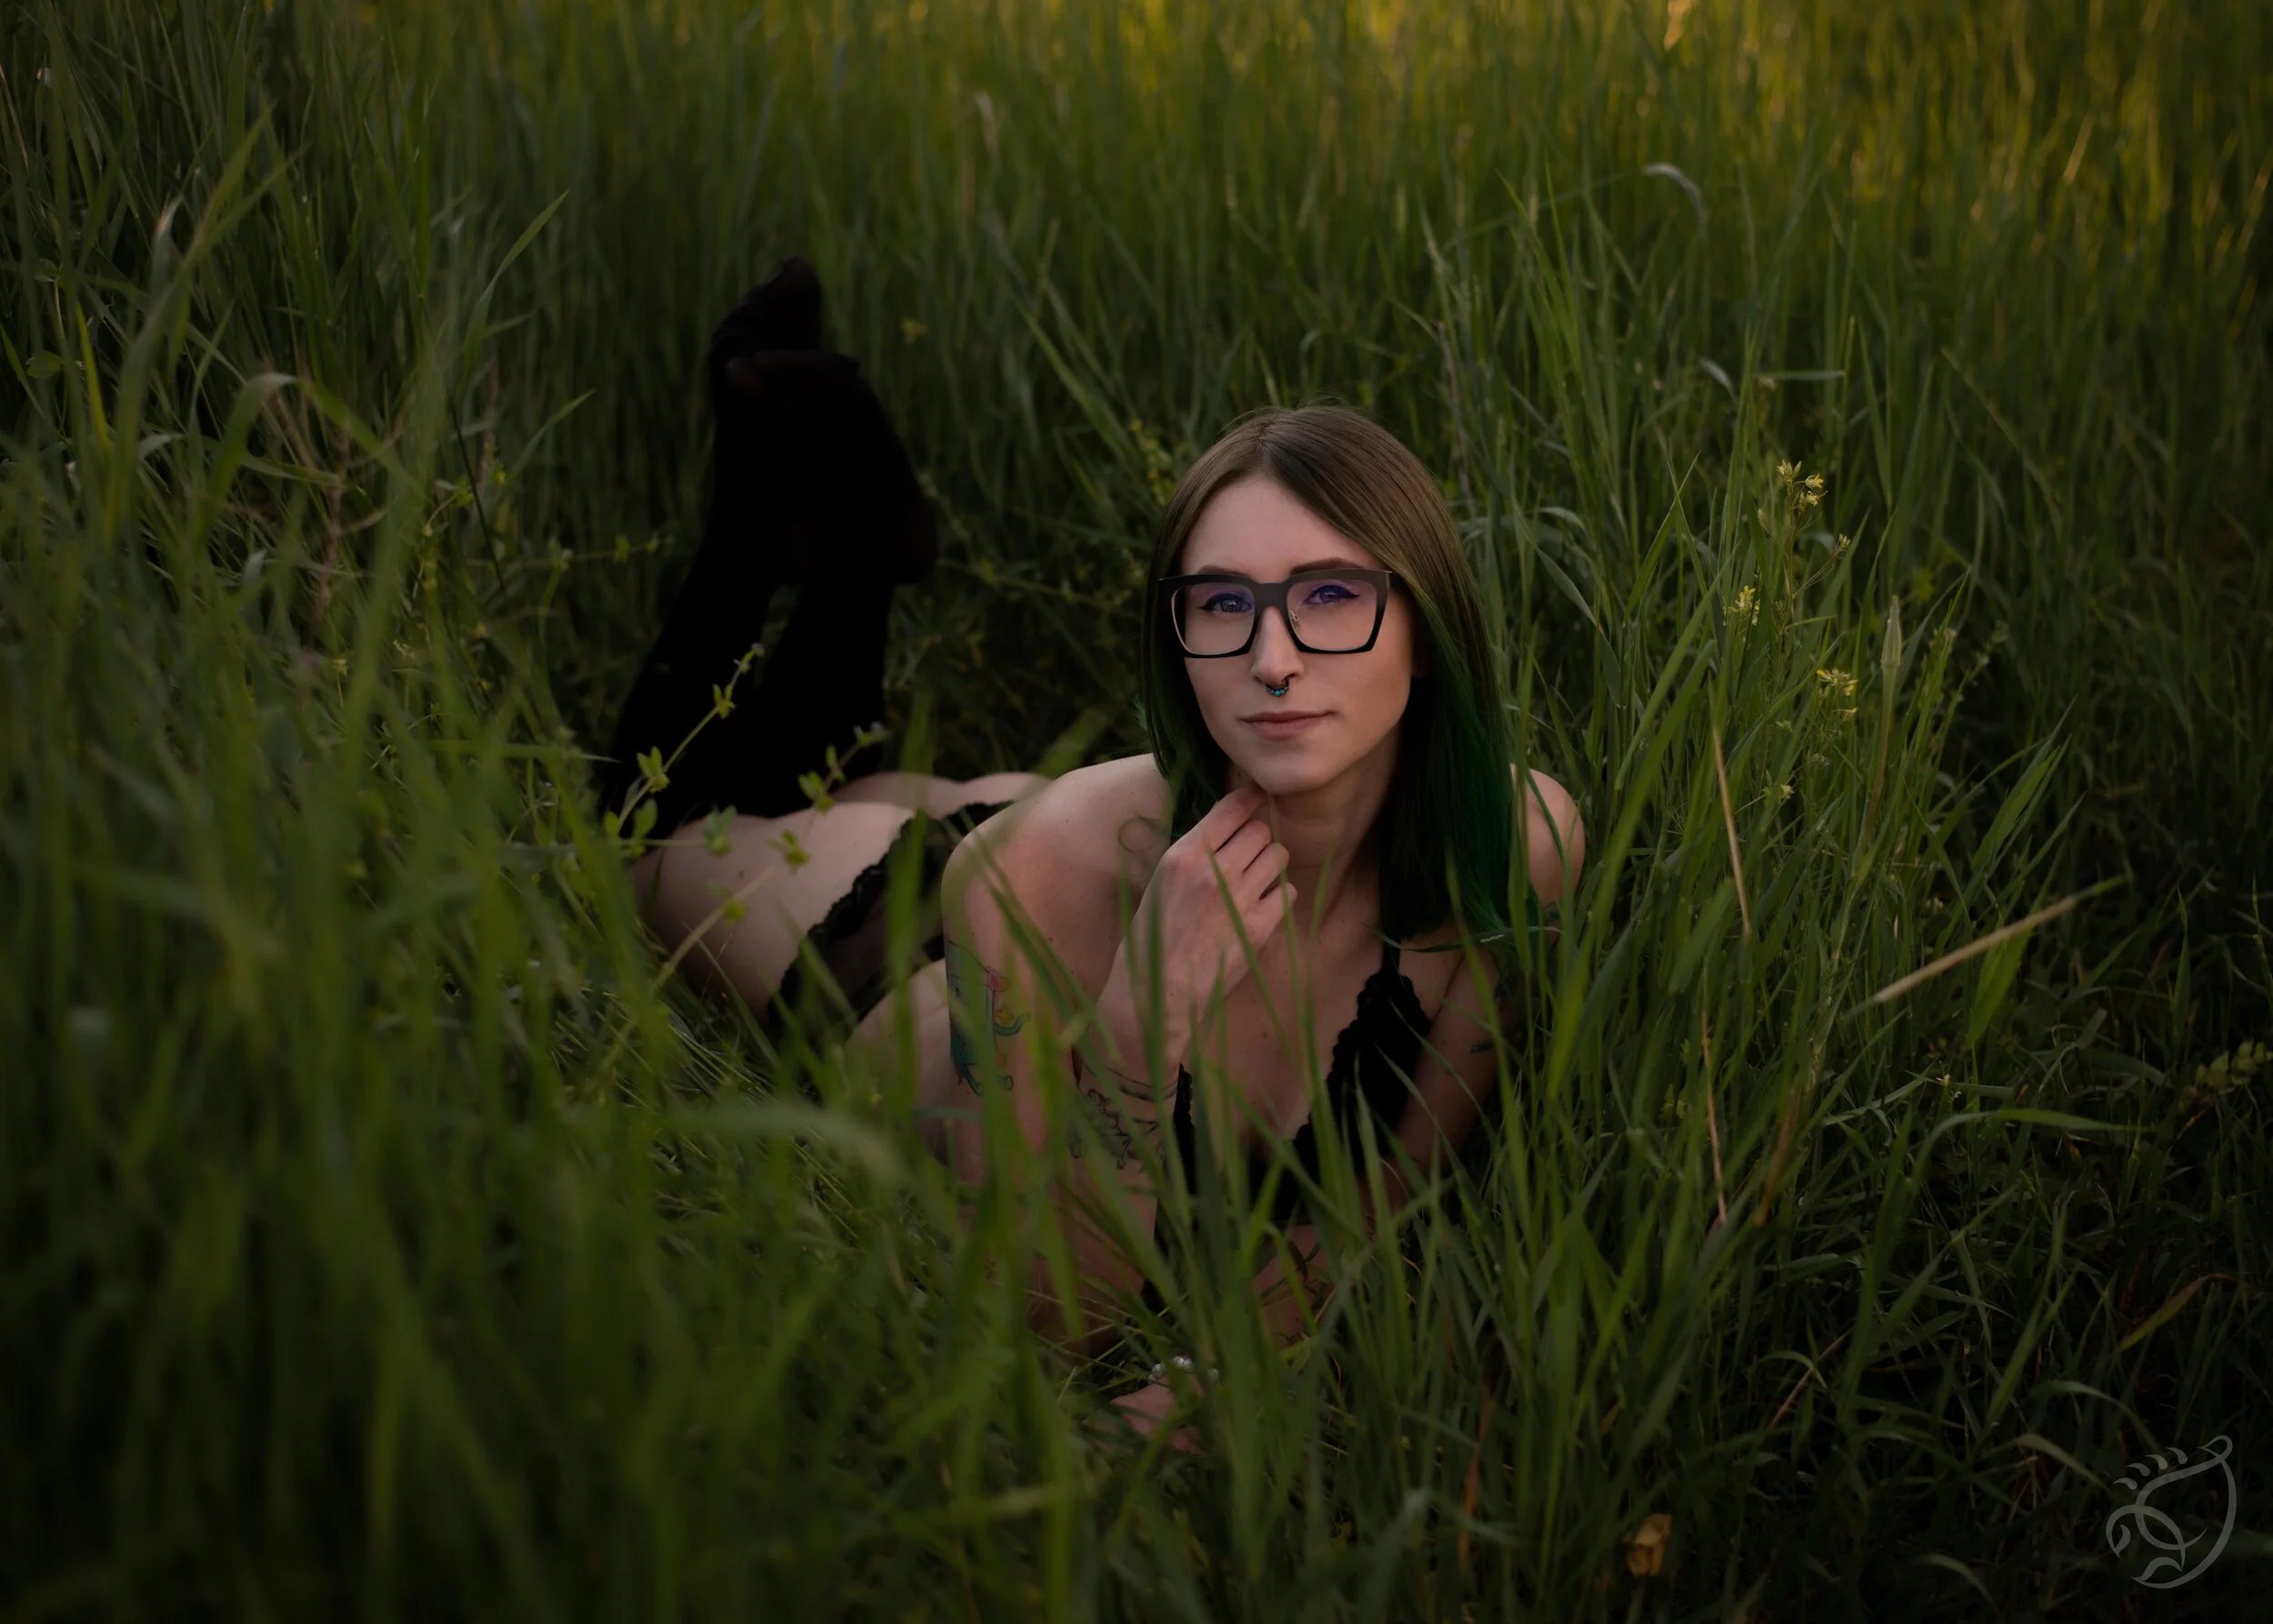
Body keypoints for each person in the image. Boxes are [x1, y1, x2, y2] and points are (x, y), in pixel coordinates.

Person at [601, 258, 1586, 1438]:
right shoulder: (1022, 878)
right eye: (1222, 604)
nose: (1273, 660)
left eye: (1331, 595)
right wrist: (1135, 1031)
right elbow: (1053, 1322)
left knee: (865, 776)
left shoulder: (1516, 849)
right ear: (1179, 643)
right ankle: (757, 536)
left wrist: (1219, 1374)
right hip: (909, 959)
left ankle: (854, 555)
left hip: (1101, 826)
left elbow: (1378, 1216)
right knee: (644, 845)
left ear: (1427, 629)